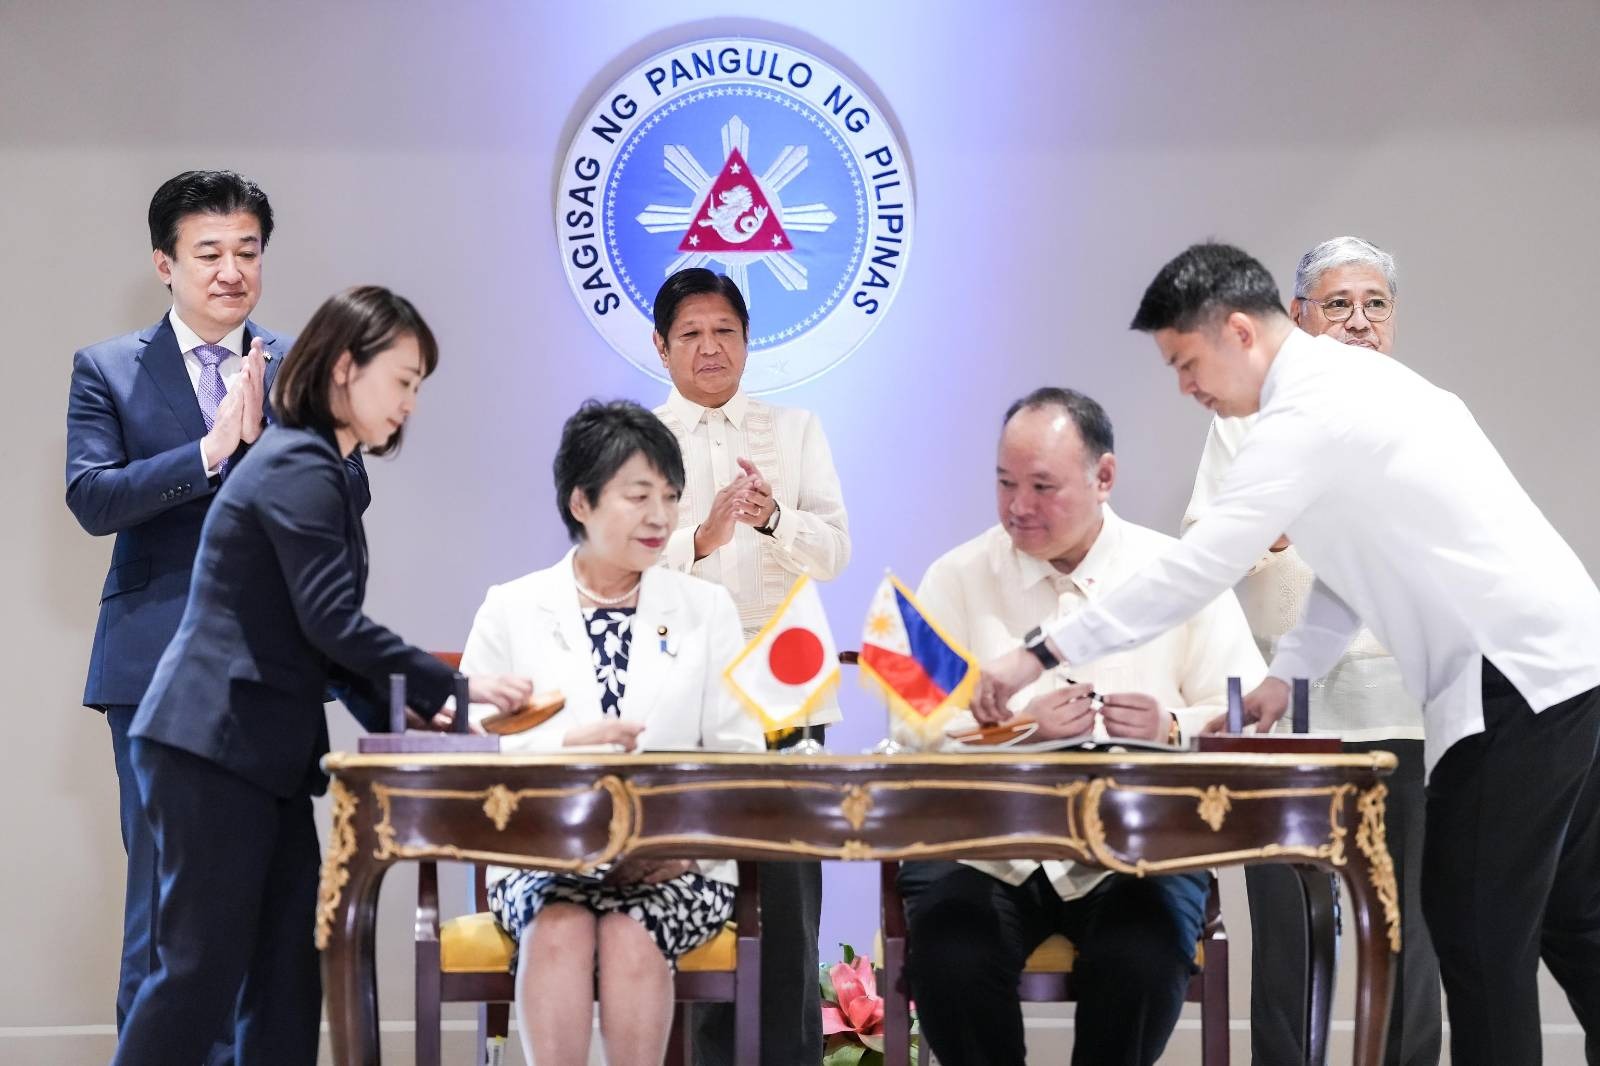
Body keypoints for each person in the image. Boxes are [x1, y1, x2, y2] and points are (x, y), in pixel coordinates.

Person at [974, 242, 1600, 1066]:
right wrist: (1286, 677)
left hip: (1513, 678)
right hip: (1565, 665)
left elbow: (1199, 569)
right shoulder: (1354, 391)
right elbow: (1359, 561)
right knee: (1574, 923)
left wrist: (1038, 653)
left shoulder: (1304, 414)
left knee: (1478, 937)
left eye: (1186, 363)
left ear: (1239, 332)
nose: (1185, 386)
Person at [109, 286, 531, 1066]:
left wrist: (420, 718)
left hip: (256, 754)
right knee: (199, 975)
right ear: (344, 367)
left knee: (286, 978)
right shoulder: (299, 462)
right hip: (211, 745)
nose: (409, 403)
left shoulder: (316, 465)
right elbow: (332, 621)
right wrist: (458, 691)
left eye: (416, 386)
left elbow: (323, 643)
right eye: (402, 379)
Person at [64, 170, 368, 1057]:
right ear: (166, 263)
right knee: (167, 907)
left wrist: (274, 447)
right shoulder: (107, 368)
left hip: (272, 673)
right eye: (209, 253)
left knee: (274, 909)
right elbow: (93, 498)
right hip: (153, 671)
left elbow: (350, 494)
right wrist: (210, 448)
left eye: (248, 251)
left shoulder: (302, 366)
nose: (232, 270)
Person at [899, 387, 1265, 1066]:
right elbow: (910, 726)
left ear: (1104, 477)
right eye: (1005, 483)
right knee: (952, 955)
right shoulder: (956, 577)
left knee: (1141, 956)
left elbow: (1246, 717)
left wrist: (1171, 728)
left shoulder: (1174, 575)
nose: (1018, 506)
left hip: (1136, 845)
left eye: (1042, 487)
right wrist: (1014, 731)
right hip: (986, 844)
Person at [1184, 236, 1439, 1066]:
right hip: (1282, 715)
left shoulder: (1423, 415)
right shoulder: (1247, 415)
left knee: (1406, 922)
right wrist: (1276, 525)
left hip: (1401, 707)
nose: (1359, 321)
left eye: (1376, 305)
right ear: (1299, 318)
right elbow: (1204, 546)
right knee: (1290, 928)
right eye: (1338, 304)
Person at [459, 399, 765, 1066]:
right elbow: (474, 749)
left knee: (631, 934)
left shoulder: (707, 609)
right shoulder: (512, 608)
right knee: (559, 930)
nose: (660, 516)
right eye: (638, 495)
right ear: (582, 502)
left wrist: (680, 847)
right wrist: (562, 749)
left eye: (670, 497)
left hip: (675, 862)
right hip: (543, 858)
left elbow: (739, 755)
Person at [648, 268, 850, 1066]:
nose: (710, 348)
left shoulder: (794, 430)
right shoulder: (637, 438)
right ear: (660, 346)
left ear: (747, 338)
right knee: (700, 900)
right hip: (683, 694)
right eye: (691, 333)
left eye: (725, 330)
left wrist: (773, 518)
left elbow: (835, 554)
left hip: (784, 689)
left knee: (790, 905)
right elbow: (614, 563)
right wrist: (700, 540)